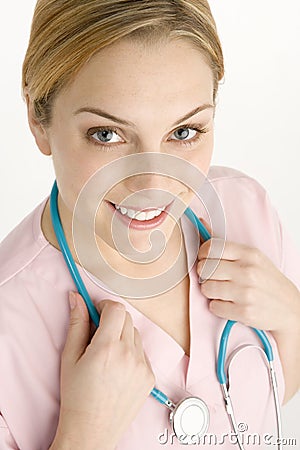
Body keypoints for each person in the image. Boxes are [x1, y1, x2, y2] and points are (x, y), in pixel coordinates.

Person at [0, 1, 299, 449]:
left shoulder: (246, 211)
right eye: (107, 134)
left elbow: (264, 410)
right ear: (37, 119)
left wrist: (293, 318)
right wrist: (82, 436)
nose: (155, 184)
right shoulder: (9, 327)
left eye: (184, 132)